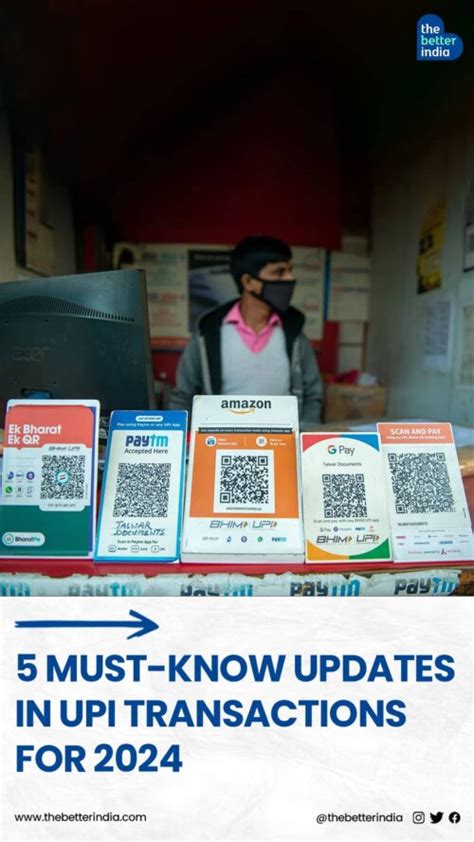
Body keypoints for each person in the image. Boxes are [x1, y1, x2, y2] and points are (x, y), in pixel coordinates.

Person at [169, 235, 322, 427]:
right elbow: (183, 396)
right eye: (279, 272)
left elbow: (313, 395)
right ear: (248, 282)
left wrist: (304, 432)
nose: (290, 279)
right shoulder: (208, 331)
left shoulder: (294, 331)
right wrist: (179, 435)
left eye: (290, 271)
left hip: (281, 442)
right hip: (221, 441)